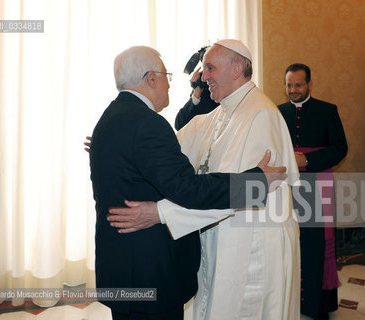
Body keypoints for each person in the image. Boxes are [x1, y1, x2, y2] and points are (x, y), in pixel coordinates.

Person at [89, 45, 287, 320]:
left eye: (210, 68)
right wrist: (257, 182)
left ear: (236, 69)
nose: (202, 77)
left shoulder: (111, 118)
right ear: (151, 78)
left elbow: (169, 152)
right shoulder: (147, 123)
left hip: (128, 267)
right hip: (149, 272)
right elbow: (188, 188)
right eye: (166, 74)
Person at [277, 63, 348, 320]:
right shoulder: (278, 112)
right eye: (289, 85)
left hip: (317, 186)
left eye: (298, 85)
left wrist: (307, 161)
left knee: (314, 244)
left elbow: (340, 148)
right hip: (287, 187)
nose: (293, 90)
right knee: (290, 241)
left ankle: (316, 306)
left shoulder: (327, 111)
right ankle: (291, 301)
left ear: (309, 84)